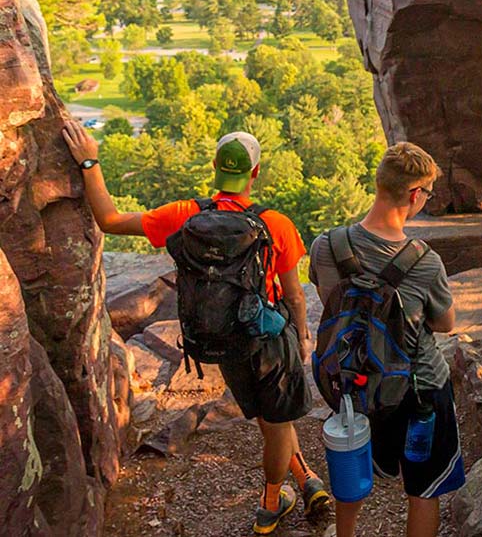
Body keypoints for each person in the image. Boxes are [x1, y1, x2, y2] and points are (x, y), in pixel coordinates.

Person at [62, 122, 330, 535]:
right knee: (276, 420)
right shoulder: (275, 224)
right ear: (255, 173)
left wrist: (89, 161)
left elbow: (110, 220)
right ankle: (271, 503)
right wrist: (303, 338)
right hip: (270, 338)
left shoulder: (186, 216)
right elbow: (295, 296)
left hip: (220, 336)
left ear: (215, 169)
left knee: (268, 416)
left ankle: (305, 476)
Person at [309, 141, 465, 537]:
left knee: (352, 465)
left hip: (353, 384)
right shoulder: (424, 261)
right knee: (423, 490)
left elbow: (328, 300)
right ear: (415, 195)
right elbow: (445, 323)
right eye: (427, 193)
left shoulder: (326, 246)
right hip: (418, 389)